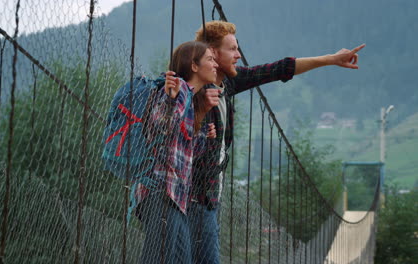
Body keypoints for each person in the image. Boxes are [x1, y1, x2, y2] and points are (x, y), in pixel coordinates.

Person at [188, 20, 366, 263]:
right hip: (193, 200)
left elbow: (279, 69)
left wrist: (331, 59)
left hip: (209, 199)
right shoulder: (193, 93)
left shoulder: (227, 83)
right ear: (212, 53)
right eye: (232, 49)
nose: (239, 54)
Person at [135, 40, 219, 264]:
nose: (215, 65)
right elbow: (160, 126)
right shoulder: (180, 89)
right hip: (162, 192)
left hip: (177, 198)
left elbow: (184, 152)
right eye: (210, 59)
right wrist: (170, 100)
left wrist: (203, 136)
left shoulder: (190, 99)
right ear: (194, 66)